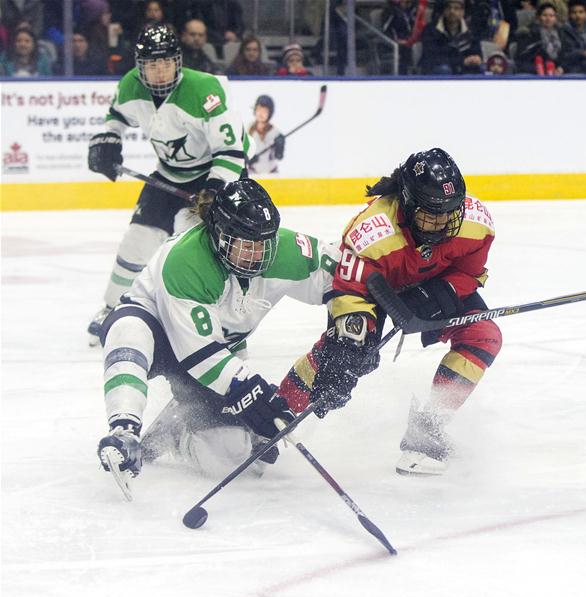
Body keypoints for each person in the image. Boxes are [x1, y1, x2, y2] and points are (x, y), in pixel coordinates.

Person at [96, 179, 338, 496]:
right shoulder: (188, 260)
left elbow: (347, 276)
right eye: (245, 244)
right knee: (127, 332)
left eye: (263, 243)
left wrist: (353, 324)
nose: (256, 254)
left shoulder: (288, 250)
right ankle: (124, 429)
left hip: (215, 349)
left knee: (233, 459)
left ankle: (179, 428)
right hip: (163, 335)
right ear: (219, 235)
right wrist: (247, 388)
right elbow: (200, 355)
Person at [272, 148, 502, 476]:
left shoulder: (473, 223)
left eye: (449, 213)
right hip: (373, 292)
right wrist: (351, 342)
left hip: (432, 283)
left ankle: (427, 429)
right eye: (431, 214)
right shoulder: (372, 233)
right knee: (344, 357)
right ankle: (274, 412)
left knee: (484, 335)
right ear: (407, 204)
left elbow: (469, 273)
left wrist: (444, 291)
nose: (442, 224)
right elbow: (350, 292)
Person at [86, 25, 252, 346]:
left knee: (210, 249)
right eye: (151, 64)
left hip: (215, 171)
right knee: (137, 239)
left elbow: (231, 151)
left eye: (166, 63)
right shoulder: (131, 86)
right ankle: (112, 307)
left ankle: (227, 322)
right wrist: (107, 139)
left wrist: (216, 189)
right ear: (140, 66)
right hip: (169, 172)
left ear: (178, 61)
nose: (160, 71)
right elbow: (116, 115)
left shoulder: (205, 90)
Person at [420, 0, 483, 74]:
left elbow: (477, 52)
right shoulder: (430, 29)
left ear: (463, 12)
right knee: (444, 69)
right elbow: (432, 57)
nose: (452, 11)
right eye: (448, 8)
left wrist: (476, 58)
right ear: (443, 10)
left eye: (456, 8)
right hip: (437, 71)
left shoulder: (471, 31)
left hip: (464, 69)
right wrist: (462, 61)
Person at [515, 2, 566, 75]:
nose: (548, 19)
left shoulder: (562, 33)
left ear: (555, 18)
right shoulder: (528, 33)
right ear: (538, 17)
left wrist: (562, 68)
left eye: (551, 16)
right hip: (534, 69)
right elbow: (521, 59)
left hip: (557, 70)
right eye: (544, 15)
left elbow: (566, 56)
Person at [247, 95, 285, 174]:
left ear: (269, 113)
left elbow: (279, 156)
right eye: (259, 109)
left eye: (265, 111)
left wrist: (280, 146)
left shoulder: (275, 133)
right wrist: (247, 158)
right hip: (252, 173)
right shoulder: (248, 130)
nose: (261, 114)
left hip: (271, 174)